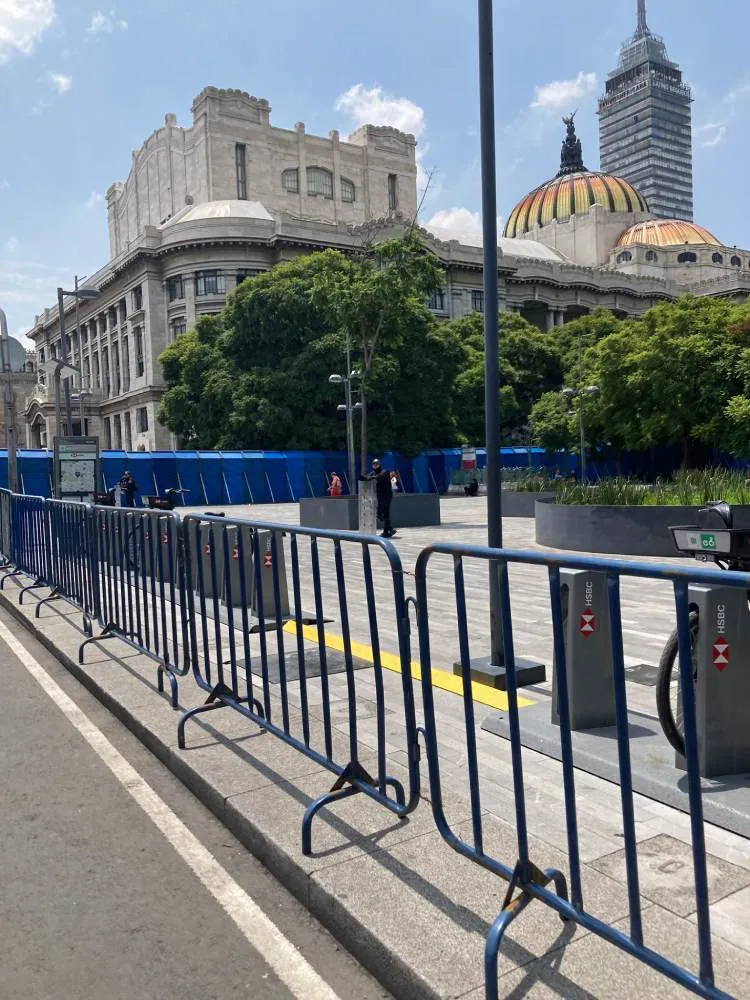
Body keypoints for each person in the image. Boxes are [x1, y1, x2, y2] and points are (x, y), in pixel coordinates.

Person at [366, 458, 394, 537]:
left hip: (386, 495)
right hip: (380, 495)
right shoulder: (373, 473)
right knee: (386, 513)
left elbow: (378, 477)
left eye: (377, 464)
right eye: (374, 464)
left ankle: (389, 529)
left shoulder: (384, 472)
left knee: (382, 512)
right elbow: (367, 477)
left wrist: (370, 477)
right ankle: (388, 530)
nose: (375, 465)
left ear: (379, 464)